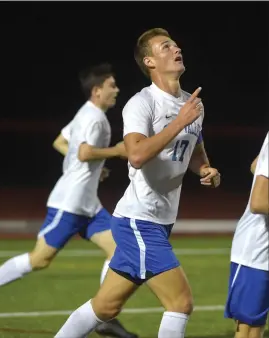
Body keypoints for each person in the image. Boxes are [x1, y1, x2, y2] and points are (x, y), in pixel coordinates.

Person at [54, 27, 221, 338]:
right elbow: (136, 155)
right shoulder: (141, 103)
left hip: (161, 221)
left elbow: (195, 150)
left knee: (104, 307)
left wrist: (206, 170)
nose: (176, 48)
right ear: (149, 61)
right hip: (138, 221)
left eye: (175, 44)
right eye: (165, 46)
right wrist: (179, 122)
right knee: (180, 303)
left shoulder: (192, 104)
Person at [0, 63, 138, 338]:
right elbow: (82, 152)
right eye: (112, 86)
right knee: (40, 259)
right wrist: (116, 151)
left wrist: (94, 166)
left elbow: (60, 142)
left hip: (89, 205)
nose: (116, 90)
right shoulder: (94, 118)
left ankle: (104, 315)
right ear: (96, 90)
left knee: (120, 251)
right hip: (69, 203)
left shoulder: (88, 113)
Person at [224, 132, 269, 338]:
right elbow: (259, 202)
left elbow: (256, 165)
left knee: (256, 326)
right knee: (249, 328)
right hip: (257, 251)